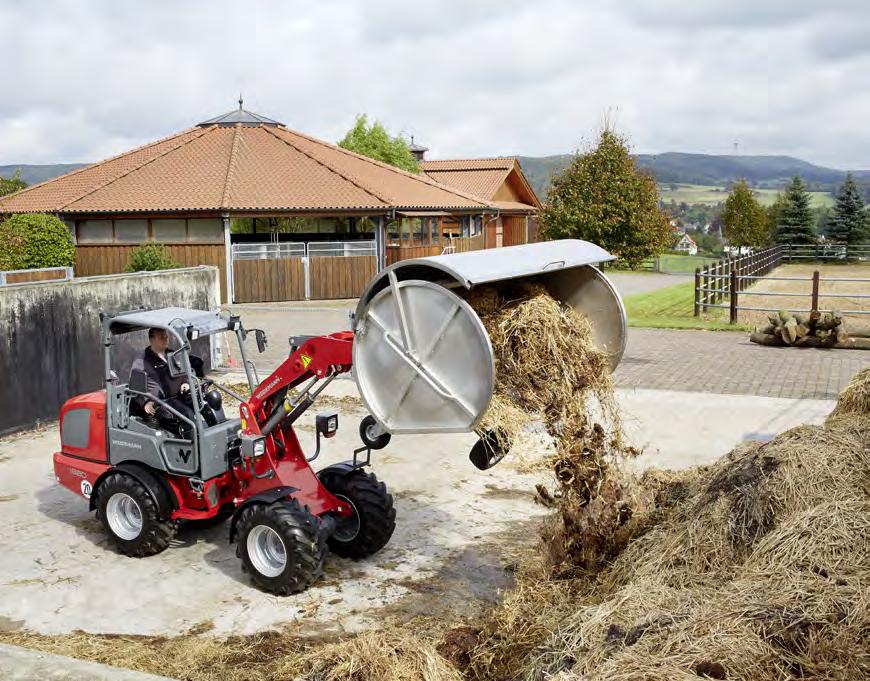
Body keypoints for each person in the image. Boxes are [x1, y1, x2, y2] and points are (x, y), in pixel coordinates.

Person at [134, 328, 204, 439]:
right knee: (187, 415)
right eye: (162, 337)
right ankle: (196, 449)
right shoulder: (142, 361)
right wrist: (145, 402)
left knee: (208, 401)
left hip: (180, 396)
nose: (166, 339)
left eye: (166, 336)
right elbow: (136, 387)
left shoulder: (173, 355)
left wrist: (185, 383)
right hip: (162, 402)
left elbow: (183, 372)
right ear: (152, 339)